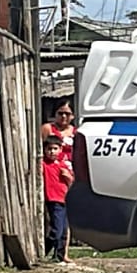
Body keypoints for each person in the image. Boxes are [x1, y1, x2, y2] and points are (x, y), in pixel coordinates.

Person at [40, 100, 77, 260]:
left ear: (72, 116)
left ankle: (63, 253)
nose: (63, 117)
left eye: (67, 114)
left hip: (68, 174)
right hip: (52, 175)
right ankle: (47, 250)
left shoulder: (75, 132)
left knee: (65, 219)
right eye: (60, 113)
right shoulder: (48, 129)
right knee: (55, 220)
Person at [43, 135, 74, 262]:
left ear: (60, 149)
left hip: (64, 199)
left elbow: (71, 183)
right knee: (56, 230)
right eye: (49, 149)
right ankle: (43, 251)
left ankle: (60, 256)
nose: (52, 152)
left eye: (55, 149)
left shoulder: (62, 165)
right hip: (53, 199)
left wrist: (68, 177)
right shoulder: (44, 164)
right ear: (45, 150)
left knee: (64, 231)